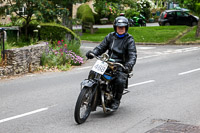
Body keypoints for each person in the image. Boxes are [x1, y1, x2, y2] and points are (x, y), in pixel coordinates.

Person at [86, 16, 137, 110]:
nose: (121, 29)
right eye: (119, 27)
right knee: (94, 72)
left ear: (126, 28)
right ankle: (92, 94)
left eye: (123, 27)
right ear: (115, 27)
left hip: (121, 65)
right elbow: (101, 47)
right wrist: (93, 53)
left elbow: (132, 55)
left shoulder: (129, 39)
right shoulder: (110, 36)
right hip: (108, 61)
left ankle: (116, 100)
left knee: (120, 80)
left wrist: (128, 65)